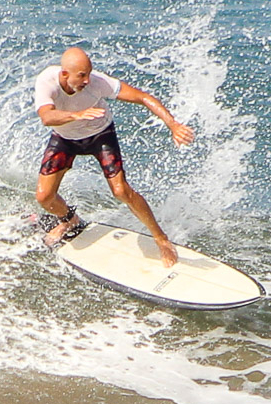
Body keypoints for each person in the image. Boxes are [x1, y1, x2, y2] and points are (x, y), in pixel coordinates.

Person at [33, 47, 194, 268]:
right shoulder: (47, 81)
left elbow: (143, 97)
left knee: (121, 191)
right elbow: (46, 117)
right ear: (64, 74)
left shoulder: (98, 82)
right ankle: (69, 220)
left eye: (89, 73)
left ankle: (161, 238)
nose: (87, 80)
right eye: (82, 75)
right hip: (65, 138)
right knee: (44, 197)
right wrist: (77, 115)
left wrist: (173, 124)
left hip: (100, 135)